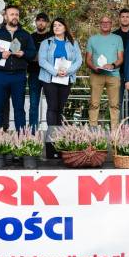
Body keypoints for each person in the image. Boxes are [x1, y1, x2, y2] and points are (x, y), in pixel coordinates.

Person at [0, 5, 36, 131]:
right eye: (12, 14)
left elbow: (32, 53)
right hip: (0, 75)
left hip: (19, 76)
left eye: (16, 14)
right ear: (5, 17)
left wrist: (24, 53)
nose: (15, 17)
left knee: (19, 108)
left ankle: (21, 137)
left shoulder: (25, 35)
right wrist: (0, 55)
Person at [38, 17, 83, 156]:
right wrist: (55, 71)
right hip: (49, 79)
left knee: (60, 109)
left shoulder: (73, 43)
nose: (56, 27)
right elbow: (42, 61)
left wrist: (67, 71)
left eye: (59, 25)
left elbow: (79, 60)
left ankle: (60, 142)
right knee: (52, 108)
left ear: (65, 27)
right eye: (54, 26)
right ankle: (51, 145)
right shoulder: (46, 42)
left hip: (66, 79)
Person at [86, 15, 124, 130]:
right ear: (100, 24)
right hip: (96, 75)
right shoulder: (92, 39)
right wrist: (94, 68)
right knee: (94, 104)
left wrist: (112, 65)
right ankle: (93, 131)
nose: (105, 24)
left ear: (111, 24)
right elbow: (88, 60)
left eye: (108, 22)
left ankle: (114, 133)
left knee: (114, 105)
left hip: (113, 75)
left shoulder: (118, 39)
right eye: (103, 22)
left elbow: (121, 58)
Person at [28, 12, 52, 133]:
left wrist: (39, 57)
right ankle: (33, 133)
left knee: (51, 105)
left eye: (43, 21)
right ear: (36, 22)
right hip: (34, 74)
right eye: (39, 20)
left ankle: (51, 132)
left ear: (47, 23)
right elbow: (28, 55)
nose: (41, 23)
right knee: (33, 105)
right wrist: (39, 57)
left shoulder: (51, 37)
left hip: (49, 74)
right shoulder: (30, 37)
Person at [113, 8, 129, 117]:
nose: (125, 19)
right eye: (122, 16)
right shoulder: (113, 35)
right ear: (119, 18)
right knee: (116, 103)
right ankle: (117, 127)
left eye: (127, 17)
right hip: (117, 73)